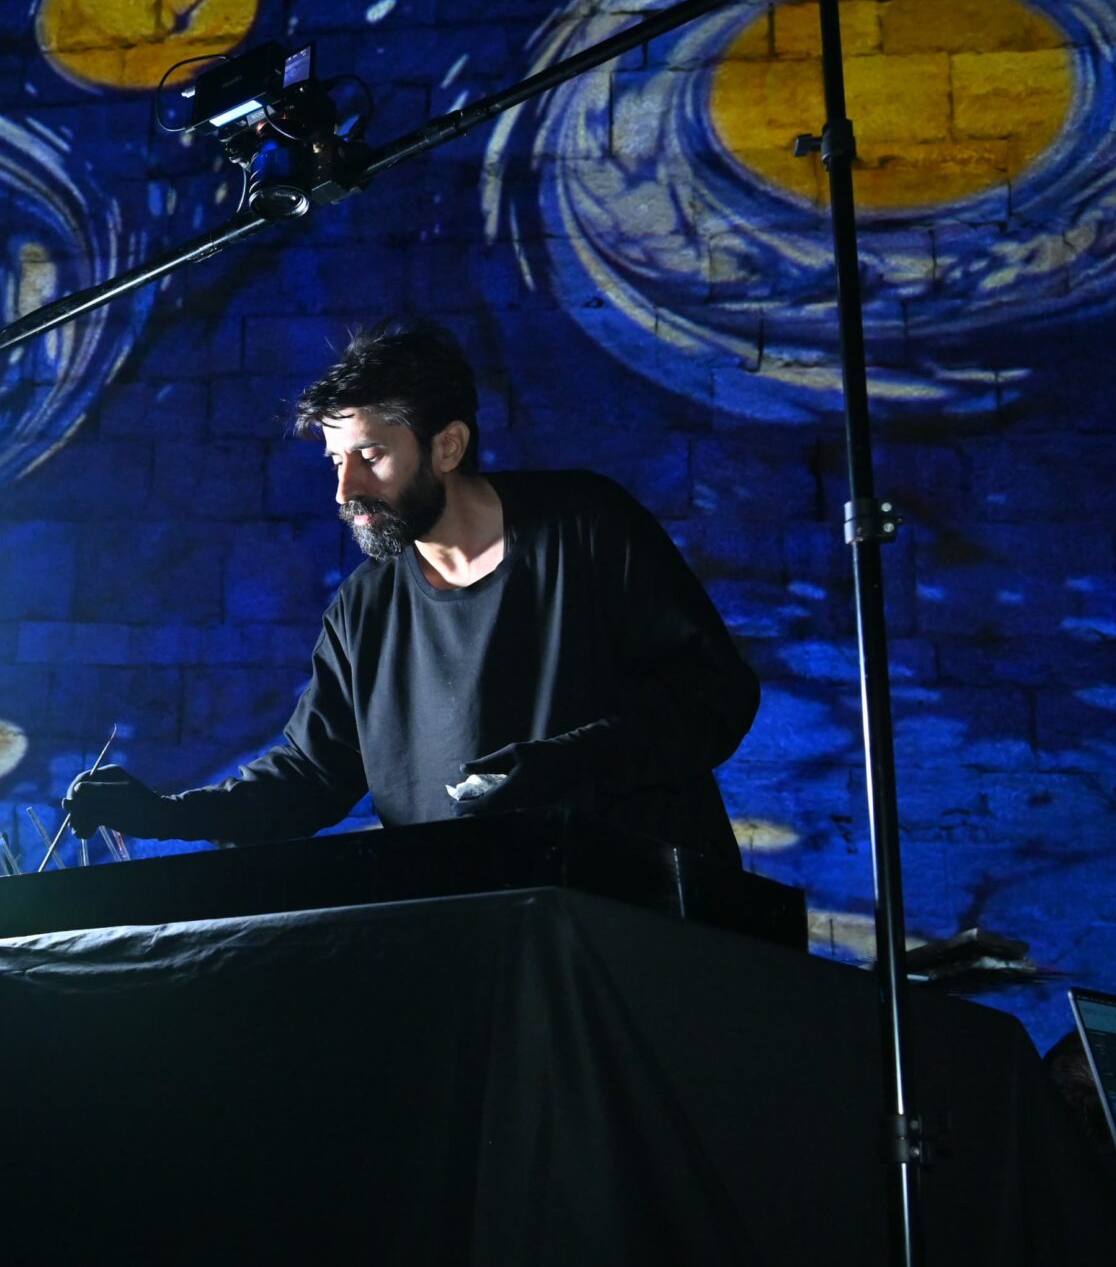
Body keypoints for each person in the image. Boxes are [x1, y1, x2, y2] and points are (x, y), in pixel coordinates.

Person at [63, 318, 760, 862]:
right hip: (478, 937)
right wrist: (166, 813)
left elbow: (715, 695)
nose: (345, 490)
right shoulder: (363, 610)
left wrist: (563, 767)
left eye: (371, 455)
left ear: (447, 446)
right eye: (336, 461)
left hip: (638, 920)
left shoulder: (585, 528)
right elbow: (309, 777)